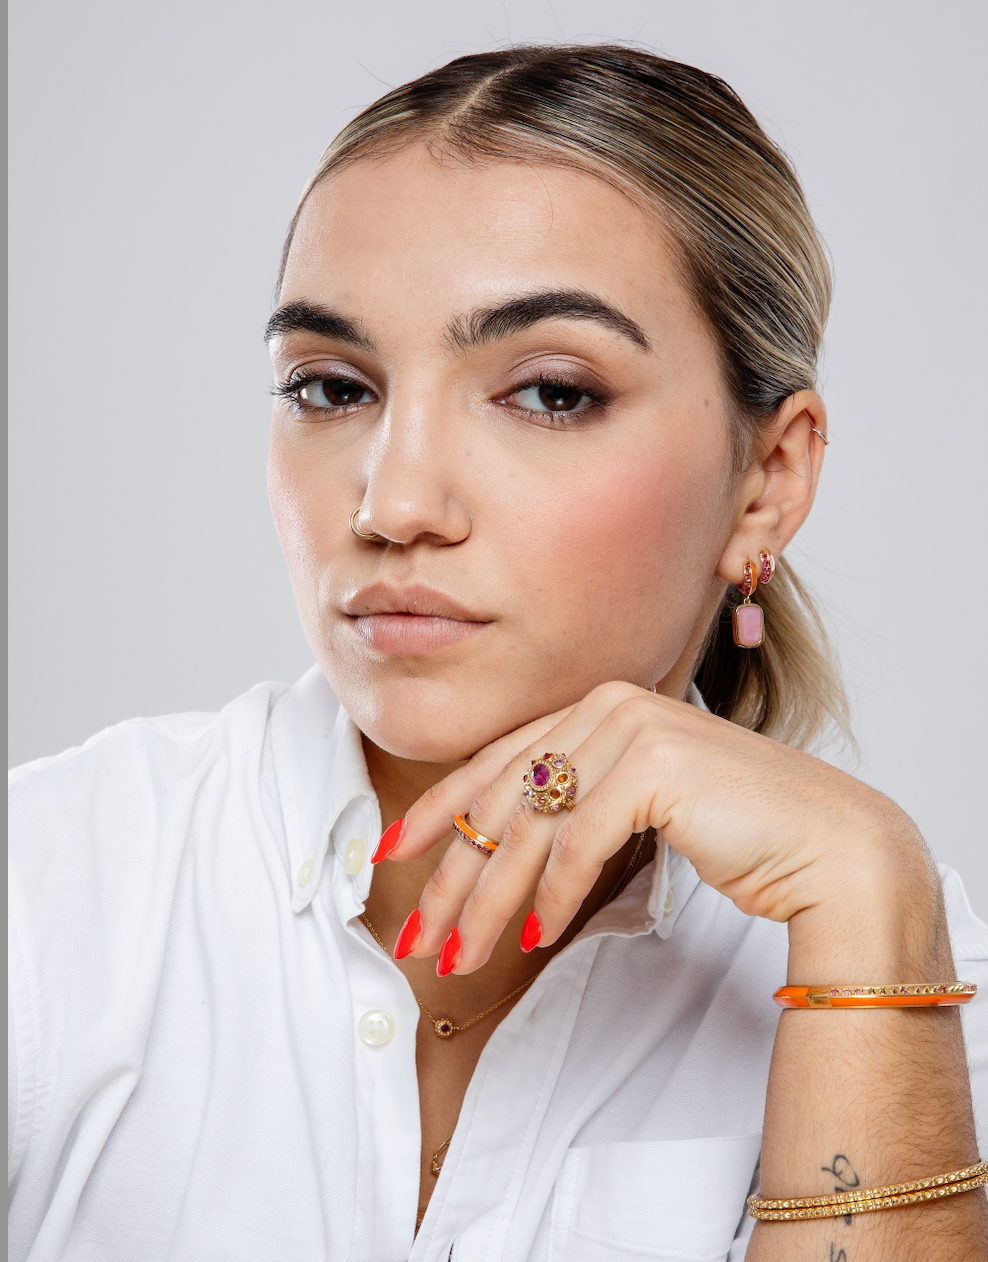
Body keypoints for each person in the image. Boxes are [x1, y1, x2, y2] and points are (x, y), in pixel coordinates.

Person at [8, 44, 987, 1262]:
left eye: (551, 393)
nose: (394, 502)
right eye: (330, 387)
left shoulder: (905, 966)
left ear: (766, 483)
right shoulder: (47, 893)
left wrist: (868, 887)